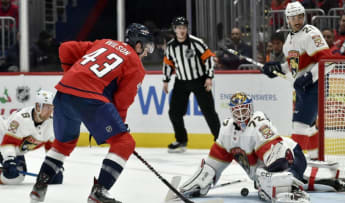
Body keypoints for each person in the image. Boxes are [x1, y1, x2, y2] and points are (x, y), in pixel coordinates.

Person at [29, 23, 154, 203]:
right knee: (124, 142)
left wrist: (74, 77)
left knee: (63, 144)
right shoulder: (136, 64)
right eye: (146, 47)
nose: (146, 53)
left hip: (64, 93)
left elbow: (65, 49)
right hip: (90, 98)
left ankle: (39, 187)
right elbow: (122, 101)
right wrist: (117, 127)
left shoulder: (105, 42)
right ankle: (99, 192)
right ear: (138, 45)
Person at [179, 92, 345, 202]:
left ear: (251, 109)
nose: (241, 115)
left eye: (244, 110)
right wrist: (202, 180)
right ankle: (331, 182)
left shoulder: (258, 123)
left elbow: (276, 157)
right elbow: (213, 165)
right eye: (237, 111)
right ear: (231, 112)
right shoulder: (226, 130)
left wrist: (273, 178)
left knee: (272, 181)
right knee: (272, 182)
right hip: (273, 167)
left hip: (290, 156)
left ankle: (291, 188)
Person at [262, 1, 332, 160]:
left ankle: (295, 167)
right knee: (310, 126)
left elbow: (327, 60)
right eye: (293, 17)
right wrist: (277, 68)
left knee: (300, 125)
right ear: (288, 19)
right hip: (302, 88)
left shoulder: (310, 33)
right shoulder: (289, 40)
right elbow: (293, 65)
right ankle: (316, 159)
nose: (297, 20)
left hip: (315, 86)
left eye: (300, 16)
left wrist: (309, 77)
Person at [163, 16, 220, 153]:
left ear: (187, 29)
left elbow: (209, 59)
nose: (182, 30)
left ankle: (220, 140)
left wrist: (209, 77)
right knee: (174, 113)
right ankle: (181, 140)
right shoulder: (171, 46)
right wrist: (166, 80)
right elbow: (168, 63)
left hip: (199, 80)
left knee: (209, 111)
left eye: (184, 28)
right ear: (174, 29)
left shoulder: (196, 42)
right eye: (179, 28)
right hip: (181, 82)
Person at [0, 90, 59, 185]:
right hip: (2, 138)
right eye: (47, 107)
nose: (50, 111)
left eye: (51, 108)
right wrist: (9, 159)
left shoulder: (51, 123)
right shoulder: (21, 119)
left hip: (15, 150)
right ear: (37, 106)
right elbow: (8, 142)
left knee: (16, 177)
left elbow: (51, 147)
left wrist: (54, 166)